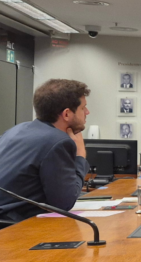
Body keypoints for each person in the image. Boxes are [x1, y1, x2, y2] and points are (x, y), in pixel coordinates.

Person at [0, 79, 91, 223]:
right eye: (83, 108)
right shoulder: (58, 142)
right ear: (67, 114)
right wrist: (80, 155)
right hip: (16, 229)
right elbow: (63, 204)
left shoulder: (16, 130)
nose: (87, 112)